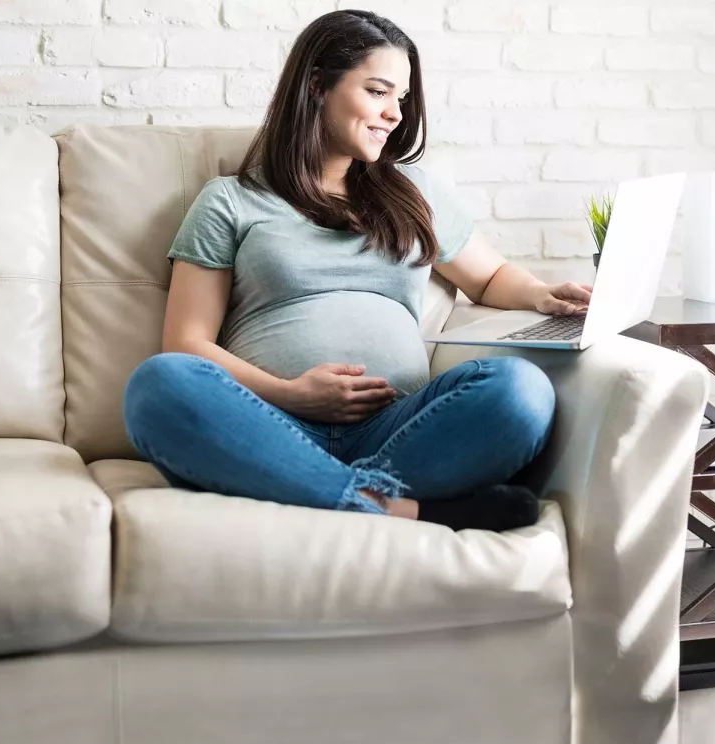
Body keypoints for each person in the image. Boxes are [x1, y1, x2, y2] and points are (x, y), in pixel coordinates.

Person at [122, 9, 593, 532]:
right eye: (377, 91)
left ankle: (307, 489)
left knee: (519, 390)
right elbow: (186, 343)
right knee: (160, 384)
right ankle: (394, 508)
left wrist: (540, 294)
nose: (394, 113)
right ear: (318, 86)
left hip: (398, 431)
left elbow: (487, 277)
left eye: (401, 98)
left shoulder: (414, 194)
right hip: (269, 423)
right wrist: (290, 393)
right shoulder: (231, 201)